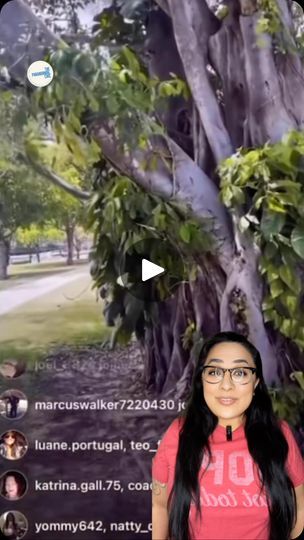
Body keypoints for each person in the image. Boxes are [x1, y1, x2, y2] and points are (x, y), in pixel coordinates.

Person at [152, 331, 304, 540]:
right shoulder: (178, 434)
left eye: (240, 373)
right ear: (202, 379)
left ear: (256, 383)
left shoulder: (279, 435)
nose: (226, 385)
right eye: (214, 372)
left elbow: (300, 508)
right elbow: (160, 507)